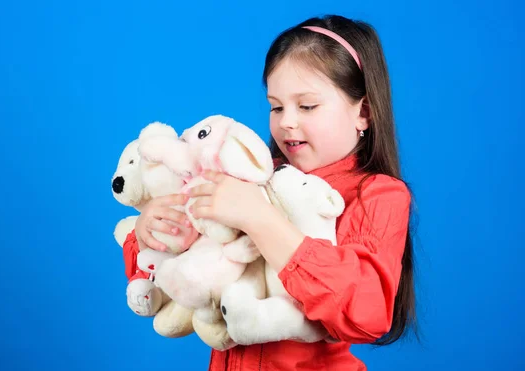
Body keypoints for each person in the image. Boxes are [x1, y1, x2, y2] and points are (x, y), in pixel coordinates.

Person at [121, 14, 418, 371]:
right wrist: (152, 234)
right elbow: (187, 277)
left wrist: (260, 219)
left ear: (363, 113)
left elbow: (366, 312)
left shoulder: (379, 195)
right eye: (276, 106)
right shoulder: (249, 178)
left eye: (307, 106)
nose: (287, 121)